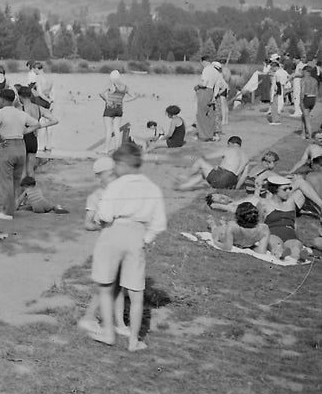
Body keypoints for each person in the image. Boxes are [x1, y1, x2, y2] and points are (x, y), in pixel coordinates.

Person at [88, 144, 166, 351]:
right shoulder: (152, 187)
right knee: (136, 292)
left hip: (114, 231)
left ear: (123, 165)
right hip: (137, 235)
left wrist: (98, 220)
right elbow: (159, 222)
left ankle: (107, 332)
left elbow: (104, 214)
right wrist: (145, 239)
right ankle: (133, 340)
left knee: (105, 286)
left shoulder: (117, 185)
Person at [0, 88, 51, 221]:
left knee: (5, 181)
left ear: (3, 99)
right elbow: (37, 124)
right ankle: (12, 209)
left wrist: (1, 137)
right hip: (20, 147)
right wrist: (24, 131)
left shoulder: (0, 113)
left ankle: (6, 212)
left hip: (7, 147)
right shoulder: (20, 113)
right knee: (15, 181)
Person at [78, 155, 124, 335]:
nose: (100, 179)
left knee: (120, 284)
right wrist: (100, 225)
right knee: (104, 285)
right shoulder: (95, 196)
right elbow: (87, 223)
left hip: (123, 242)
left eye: (102, 175)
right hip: (107, 243)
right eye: (98, 176)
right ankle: (89, 317)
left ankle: (118, 323)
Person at [175, 136, 250, 191]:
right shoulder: (246, 157)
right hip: (230, 182)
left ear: (230, 143)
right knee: (204, 173)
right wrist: (236, 189)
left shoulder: (229, 149)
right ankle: (185, 186)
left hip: (221, 178)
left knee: (200, 161)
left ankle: (187, 176)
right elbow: (244, 176)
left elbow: (207, 157)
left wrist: (194, 157)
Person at [99, 70, 136, 152]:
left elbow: (101, 93)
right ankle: (117, 149)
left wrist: (106, 100)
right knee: (117, 129)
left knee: (108, 130)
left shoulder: (111, 85)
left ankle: (106, 149)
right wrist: (125, 101)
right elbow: (134, 95)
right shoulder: (124, 86)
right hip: (119, 109)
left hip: (110, 108)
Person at [27, 60, 56, 152]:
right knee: (50, 123)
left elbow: (40, 93)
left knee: (42, 123)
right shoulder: (49, 78)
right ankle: (49, 144)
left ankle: (41, 145)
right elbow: (51, 92)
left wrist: (46, 100)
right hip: (49, 101)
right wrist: (51, 101)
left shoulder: (38, 78)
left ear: (36, 69)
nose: (33, 72)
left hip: (41, 101)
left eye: (34, 70)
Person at [194, 58, 224, 141]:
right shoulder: (216, 71)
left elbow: (204, 83)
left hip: (204, 91)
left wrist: (198, 85)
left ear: (203, 61)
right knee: (210, 114)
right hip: (211, 92)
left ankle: (203, 135)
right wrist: (214, 97)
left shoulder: (206, 69)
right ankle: (210, 134)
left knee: (201, 114)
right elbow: (217, 86)